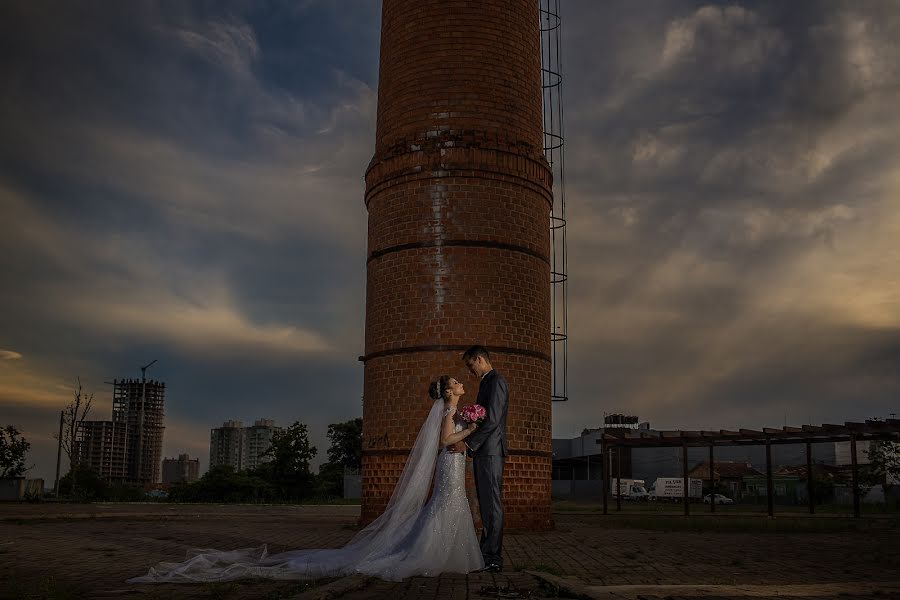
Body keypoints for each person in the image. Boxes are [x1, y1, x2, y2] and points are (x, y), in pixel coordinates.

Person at [127, 376, 483, 583]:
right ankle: (433, 555)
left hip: (452, 465)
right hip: (450, 463)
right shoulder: (451, 411)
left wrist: (465, 430)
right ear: (449, 393)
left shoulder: (450, 409)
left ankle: (447, 554)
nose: (461, 383)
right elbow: (444, 441)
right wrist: (470, 427)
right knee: (446, 505)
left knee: (448, 505)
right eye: (456, 382)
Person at [462, 345, 509, 573]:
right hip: (484, 451)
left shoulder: (496, 381)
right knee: (486, 504)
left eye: (471, 366)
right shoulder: (486, 382)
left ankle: (493, 558)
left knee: (492, 506)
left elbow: (492, 420)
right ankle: (486, 552)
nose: (470, 371)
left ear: (480, 359)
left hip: (491, 451)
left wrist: (469, 442)